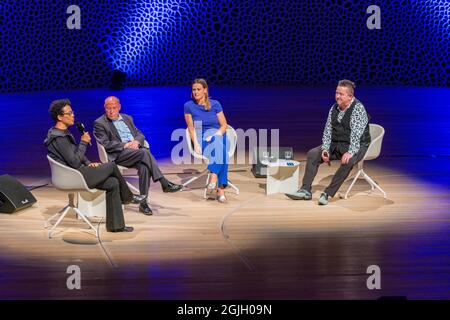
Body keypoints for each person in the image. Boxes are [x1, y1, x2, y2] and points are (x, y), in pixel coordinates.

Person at [44, 99, 146, 232]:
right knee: (111, 166)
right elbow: (74, 162)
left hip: (80, 171)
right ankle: (128, 197)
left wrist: (88, 163)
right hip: (74, 176)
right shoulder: (58, 138)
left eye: (72, 112)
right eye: (69, 113)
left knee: (113, 183)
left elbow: (74, 155)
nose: (73, 115)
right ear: (60, 117)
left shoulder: (63, 133)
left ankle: (116, 226)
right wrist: (84, 143)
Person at [285, 79, 371, 205]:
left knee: (349, 161)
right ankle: (305, 190)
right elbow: (328, 131)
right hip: (338, 143)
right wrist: (325, 149)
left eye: (341, 94)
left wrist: (351, 152)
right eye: (337, 93)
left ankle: (328, 193)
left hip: (357, 145)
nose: (337, 96)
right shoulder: (334, 108)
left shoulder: (358, 109)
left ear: (350, 96)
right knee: (313, 154)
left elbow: (356, 135)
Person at [93, 96, 182, 215]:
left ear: (119, 107)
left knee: (145, 166)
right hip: (118, 155)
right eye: (108, 108)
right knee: (145, 152)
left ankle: (143, 204)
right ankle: (164, 182)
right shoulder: (100, 123)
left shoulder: (127, 118)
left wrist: (137, 142)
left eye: (114, 108)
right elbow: (106, 144)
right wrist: (125, 145)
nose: (111, 111)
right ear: (105, 108)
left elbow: (139, 133)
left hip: (135, 152)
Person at [184, 78, 230, 203]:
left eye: (198, 89)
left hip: (219, 135)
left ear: (205, 90)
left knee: (219, 143)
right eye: (194, 89)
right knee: (223, 152)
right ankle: (220, 190)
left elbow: (224, 125)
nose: (195, 92)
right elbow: (191, 128)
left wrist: (217, 134)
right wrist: (196, 144)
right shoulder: (188, 106)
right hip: (202, 138)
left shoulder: (215, 104)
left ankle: (214, 176)